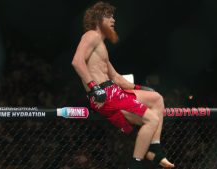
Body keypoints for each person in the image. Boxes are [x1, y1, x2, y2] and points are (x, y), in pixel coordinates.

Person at [72, 1, 175, 169]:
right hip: (104, 94)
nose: (113, 20)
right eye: (109, 16)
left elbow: (116, 77)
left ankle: (155, 148)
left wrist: (140, 88)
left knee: (156, 98)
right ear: (98, 19)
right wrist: (94, 87)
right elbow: (77, 61)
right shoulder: (91, 35)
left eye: (113, 16)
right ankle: (135, 164)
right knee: (152, 119)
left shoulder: (101, 46)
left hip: (112, 90)